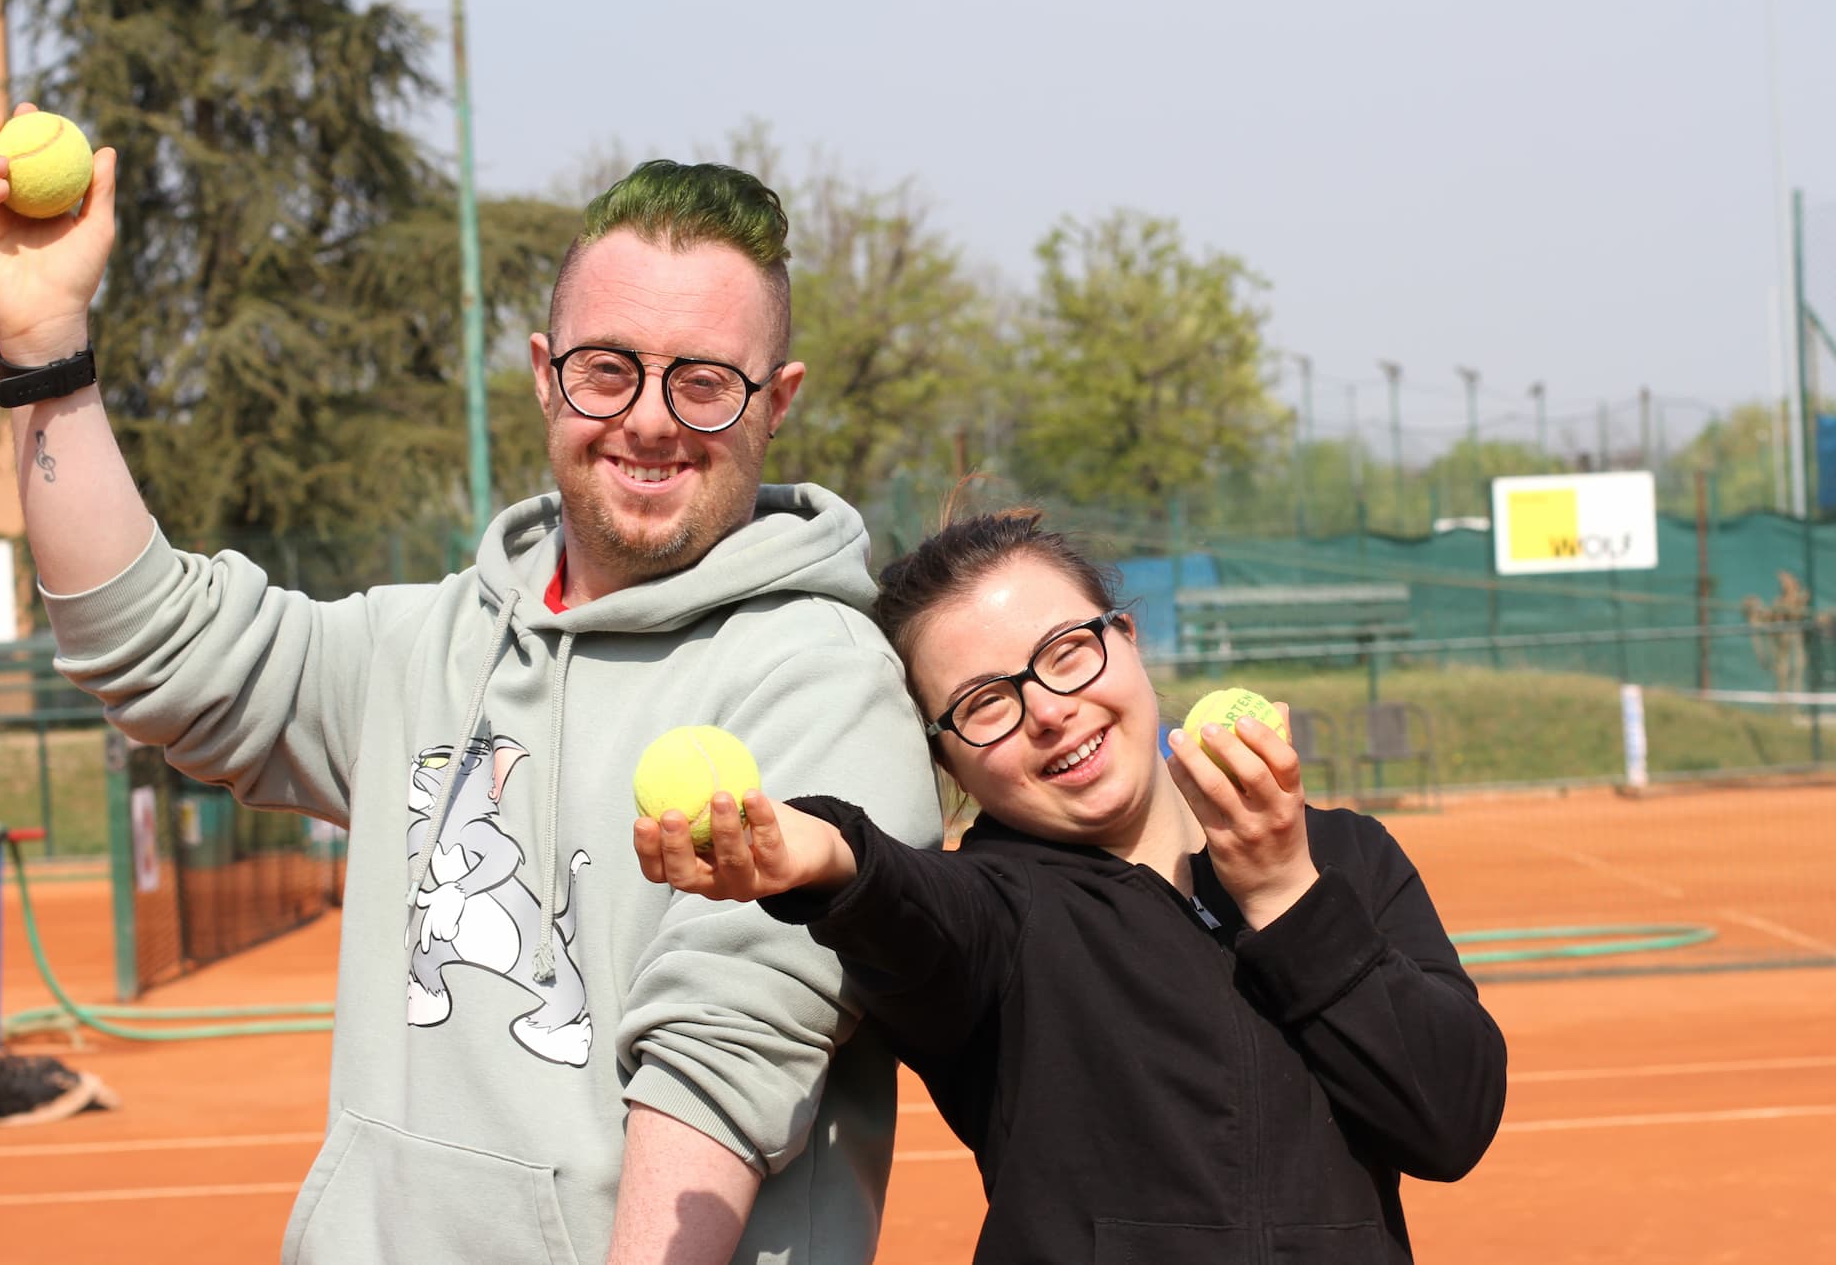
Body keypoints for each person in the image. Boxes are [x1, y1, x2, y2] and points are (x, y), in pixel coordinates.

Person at [0, 105, 944, 1265]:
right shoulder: (426, 644)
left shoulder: (825, 680)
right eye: (608, 370)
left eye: (705, 383)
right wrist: (46, 343)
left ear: (776, 402)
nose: (647, 418)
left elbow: (723, 1060)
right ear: (544, 377)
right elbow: (152, 641)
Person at [636, 508, 1509, 1265]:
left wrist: (1287, 893)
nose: (1049, 708)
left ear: (1125, 638)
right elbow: (903, 898)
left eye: (1066, 652)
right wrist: (821, 855)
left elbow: (1450, 1118)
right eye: (984, 702)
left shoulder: (1345, 857)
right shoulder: (998, 913)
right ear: (949, 760)